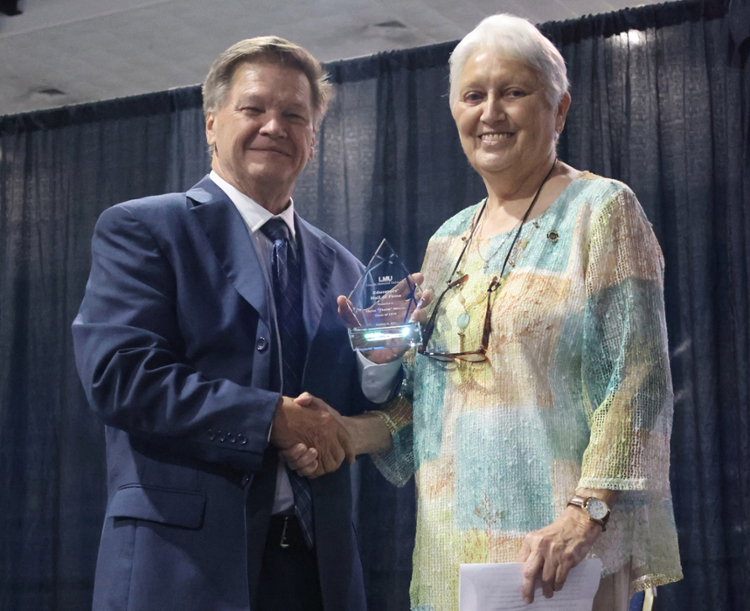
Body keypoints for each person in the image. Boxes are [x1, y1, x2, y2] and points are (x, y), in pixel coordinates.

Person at [289, 14, 683, 611]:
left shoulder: (601, 211)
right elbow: (425, 406)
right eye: (474, 96)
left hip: (561, 555)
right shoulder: (448, 240)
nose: (490, 113)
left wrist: (587, 513)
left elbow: (638, 382)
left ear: (560, 109)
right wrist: (348, 431)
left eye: (514, 92)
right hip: (452, 553)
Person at [72, 36, 373, 611]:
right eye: (253, 109)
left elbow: (354, 413)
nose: (274, 126)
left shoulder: (346, 268)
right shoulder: (143, 229)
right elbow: (119, 376)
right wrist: (269, 421)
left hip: (319, 576)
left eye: (294, 115)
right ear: (211, 125)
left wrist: (386, 364)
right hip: (181, 570)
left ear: (313, 137)